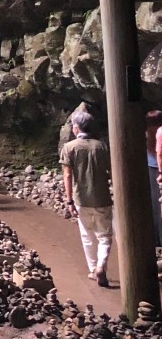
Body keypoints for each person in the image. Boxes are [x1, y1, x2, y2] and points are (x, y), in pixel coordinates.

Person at [60, 109, 113, 288]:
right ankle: (101, 267)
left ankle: (92, 269)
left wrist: (69, 201)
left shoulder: (70, 148)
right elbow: (112, 171)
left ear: (76, 128)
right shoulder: (102, 146)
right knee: (104, 237)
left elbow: (67, 175)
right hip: (103, 197)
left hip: (81, 199)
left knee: (87, 235)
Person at [147, 110, 162, 247]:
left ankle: (156, 238)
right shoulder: (159, 132)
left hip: (151, 168)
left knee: (154, 204)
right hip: (157, 169)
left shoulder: (146, 134)